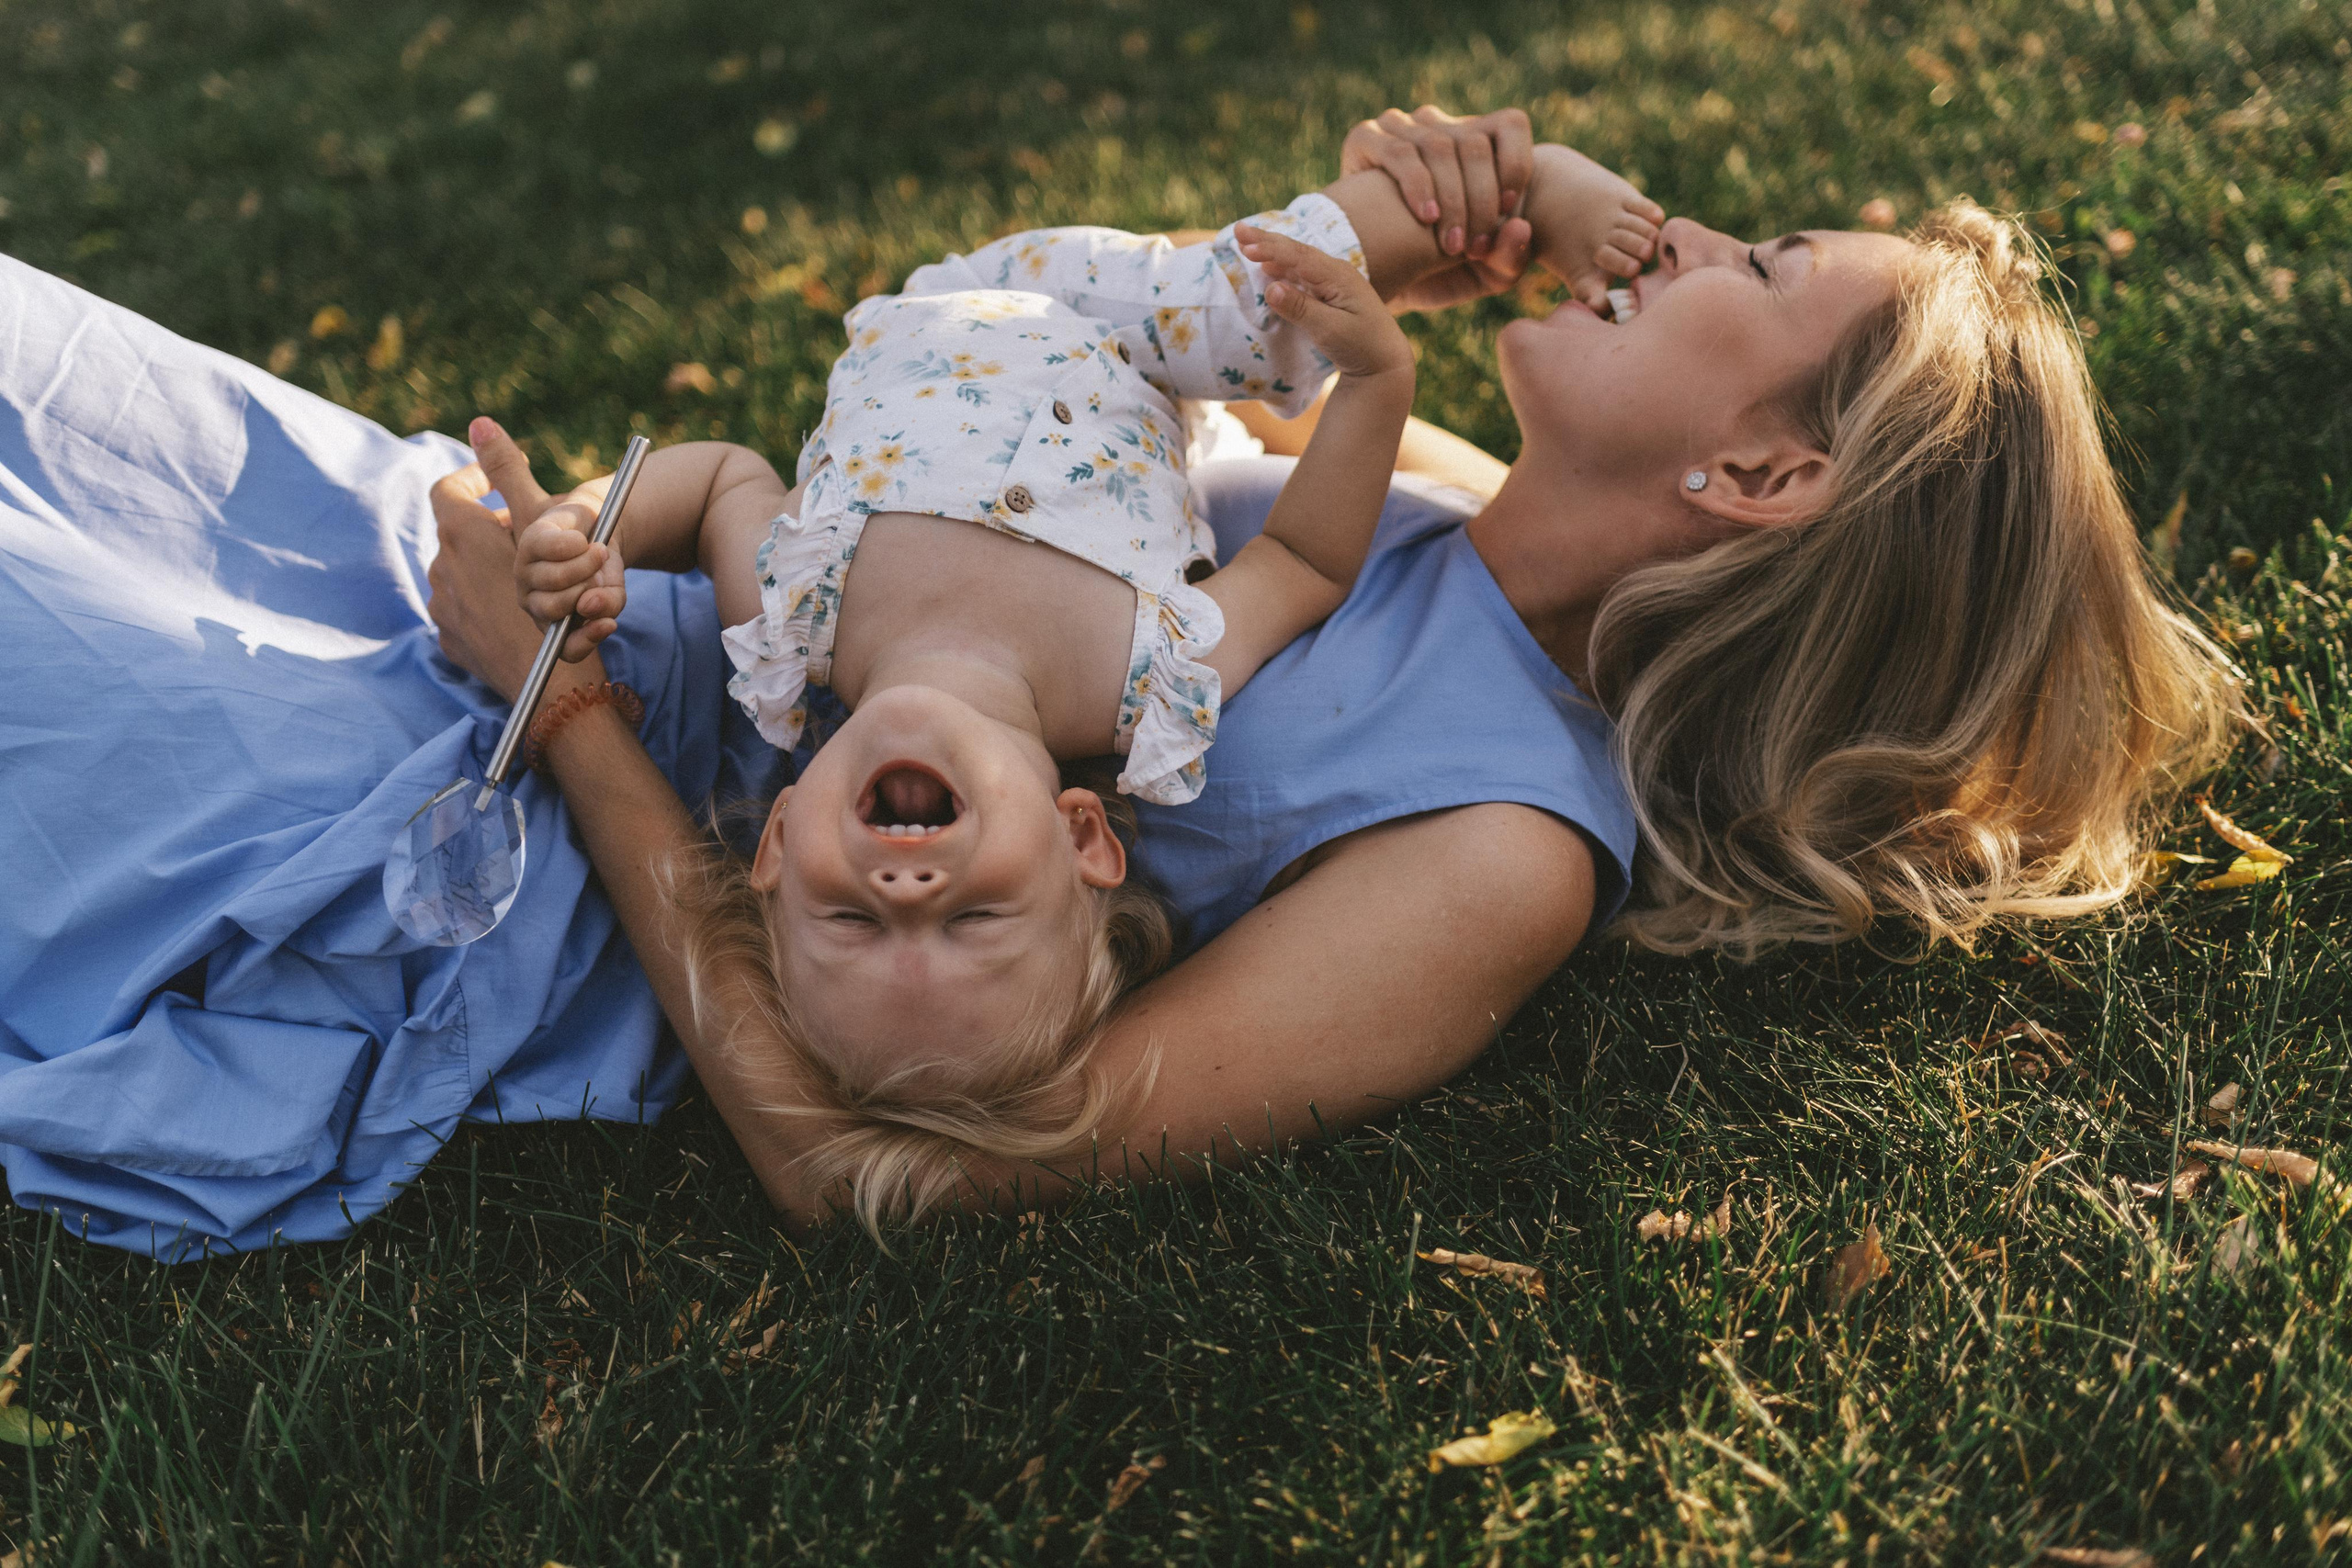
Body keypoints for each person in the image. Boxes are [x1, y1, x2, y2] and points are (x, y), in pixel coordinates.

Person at [427, 110, 2235, 1229]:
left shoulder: (1494, 854)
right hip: (548, 593)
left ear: (1756, 479)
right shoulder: (1449, 504)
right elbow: (1118, 392)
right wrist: (1392, 267)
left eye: (1739, 264)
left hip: (489, 828)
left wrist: (564, 708)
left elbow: (871, 1166)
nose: (1668, 234)